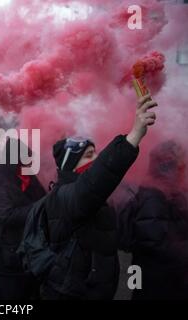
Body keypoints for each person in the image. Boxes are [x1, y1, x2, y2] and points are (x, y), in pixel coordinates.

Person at [38, 94, 158, 300]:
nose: (95, 159)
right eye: (88, 155)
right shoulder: (65, 196)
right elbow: (99, 178)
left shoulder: (92, 195)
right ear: (70, 165)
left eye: (95, 153)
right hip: (73, 292)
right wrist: (134, 136)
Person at [118, 140, 188, 300]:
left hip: (168, 278)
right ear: (168, 163)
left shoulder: (172, 191)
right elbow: (154, 241)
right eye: (180, 158)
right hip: (157, 280)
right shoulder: (153, 195)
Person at [0, 139, 46, 299]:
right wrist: (41, 206)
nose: (28, 163)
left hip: (28, 247)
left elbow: (40, 195)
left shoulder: (25, 175)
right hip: (7, 251)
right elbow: (8, 215)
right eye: (24, 160)